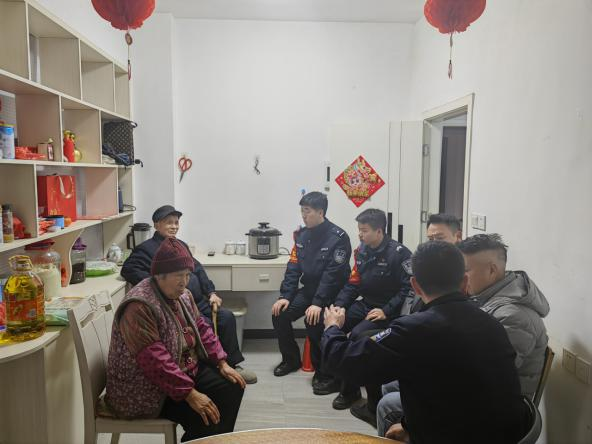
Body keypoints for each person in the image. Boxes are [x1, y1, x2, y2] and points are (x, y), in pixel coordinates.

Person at [322, 241, 529, 444]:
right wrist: (409, 426)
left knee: (389, 403)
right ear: (464, 282)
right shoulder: (491, 322)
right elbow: (460, 388)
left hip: (459, 434)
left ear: (415, 286)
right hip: (503, 432)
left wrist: (332, 327)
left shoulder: (414, 329)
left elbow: (345, 362)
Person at [106, 238, 245, 442]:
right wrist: (190, 394)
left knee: (232, 386)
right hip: (144, 388)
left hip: (180, 373)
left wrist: (222, 362)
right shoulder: (139, 306)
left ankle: (212, 440)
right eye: (179, 275)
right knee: (203, 415)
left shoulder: (183, 295)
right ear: (159, 275)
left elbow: (201, 327)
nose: (184, 282)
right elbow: (155, 361)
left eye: (188, 275)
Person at [121, 205, 256, 384]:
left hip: (197, 301)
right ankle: (209, 368)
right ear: (156, 224)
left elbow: (197, 269)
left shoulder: (180, 245)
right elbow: (128, 269)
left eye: (176, 223)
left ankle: (232, 364)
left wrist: (211, 292)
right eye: (169, 222)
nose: (174, 226)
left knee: (226, 317)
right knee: (204, 325)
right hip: (177, 305)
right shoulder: (145, 249)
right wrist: (158, 285)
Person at [377, 213, 462, 434]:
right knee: (387, 382)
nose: (433, 244)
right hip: (423, 342)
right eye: (430, 239)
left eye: (439, 238)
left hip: (448, 373)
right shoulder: (428, 265)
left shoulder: (458, 273)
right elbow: (411, 301)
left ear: (457, 237)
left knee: (387, 394)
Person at [331, 208, 412, 418]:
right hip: (366, 303)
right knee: (334, 323)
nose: (360, 234)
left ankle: (350, 391)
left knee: (358, 336)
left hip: (387, 310)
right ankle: (340, 381)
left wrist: (386, 310)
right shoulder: (362, 250)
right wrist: (339, 306)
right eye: (359, 230)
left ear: (379, 231)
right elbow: (353, 283)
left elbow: (408, 289)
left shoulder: (399, 254)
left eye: (364, 230)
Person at [271, 191, 351, 395]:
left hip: (332, 294)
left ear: (320, 212)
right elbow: (293, 268)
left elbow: (332, 275)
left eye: (307, 211)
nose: (303, 215)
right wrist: (285, 296)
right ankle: (290, 360)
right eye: (302, 211)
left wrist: (317, 303)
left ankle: (323, 372)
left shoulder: (338, 237)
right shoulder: (302, 235)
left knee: (314, 321)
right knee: (279, 314)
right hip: (310, 291)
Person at [458, 233, 550, 397]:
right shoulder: (484, 298)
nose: (460, 277)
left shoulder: (513, 316)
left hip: (500, 403)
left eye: (465, 271)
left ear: (492, 270)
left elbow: (488, 374)